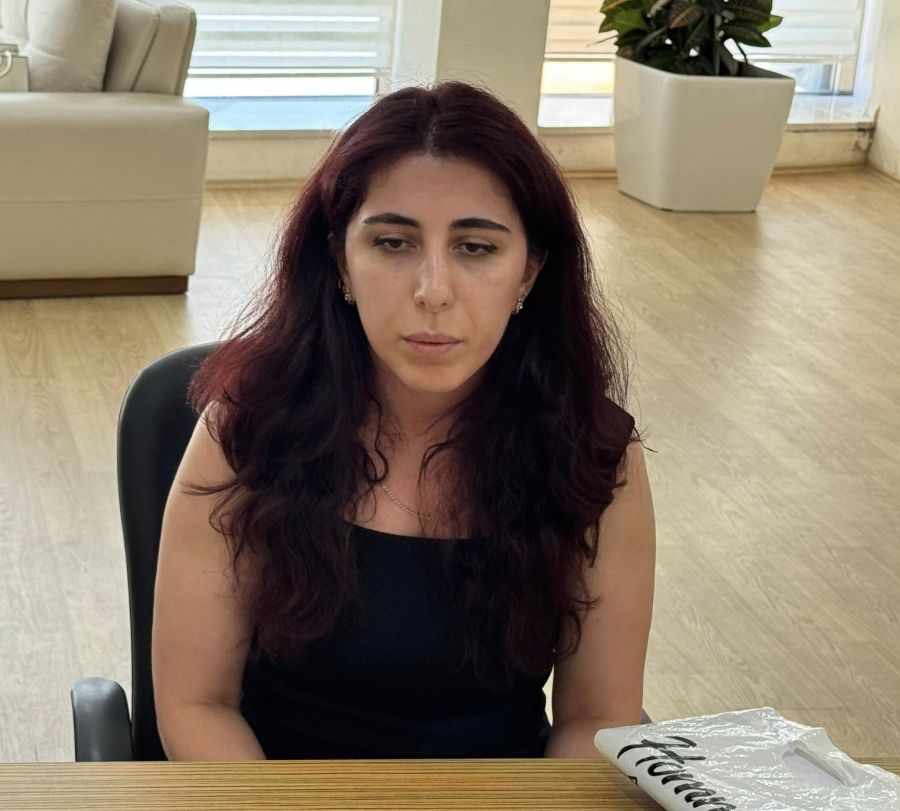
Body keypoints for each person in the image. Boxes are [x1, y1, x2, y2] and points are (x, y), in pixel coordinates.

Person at [152, 80, 656, 761]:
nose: (433, 291)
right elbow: (195, 703)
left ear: (529, 274)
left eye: (476, 248)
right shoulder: (244, 430)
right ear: (341, 262)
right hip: (276, 796)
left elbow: (595, 720)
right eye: (393, 243)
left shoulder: (596, 455)